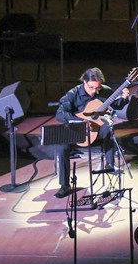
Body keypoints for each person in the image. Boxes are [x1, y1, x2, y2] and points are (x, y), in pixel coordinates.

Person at [52, 68, 130, 199]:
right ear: (84, 81)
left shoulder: (104, 90)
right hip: (77, 131)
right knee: (62, 147)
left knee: (108, 127)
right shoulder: (73, 94)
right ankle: (65, 185)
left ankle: (109, 164)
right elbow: (60, 114)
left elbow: (116, 105)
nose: (94, 91)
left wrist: (124, 98)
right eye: (91, 87)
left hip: (96, 131)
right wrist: (81, 121)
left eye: (97, 88)